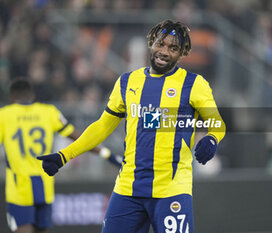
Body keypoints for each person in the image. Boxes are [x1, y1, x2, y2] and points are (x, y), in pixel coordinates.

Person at [37, 19, 226, 233]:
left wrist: (212, 139)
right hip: (128, 189)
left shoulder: (194, 84)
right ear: (151, 43)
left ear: (182, 53)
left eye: (173, 48)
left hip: (171, 190)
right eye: (161, 44)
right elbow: (102, 126)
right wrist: (64, 155)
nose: (164, 51)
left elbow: (216, 122)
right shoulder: (127, 82)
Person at [0, 79, 122, 233]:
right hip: (44, 185)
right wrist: (106, 154)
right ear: (32, 96)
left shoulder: (4, 115)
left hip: (19, 188)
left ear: (11, 98)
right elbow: (78, 138)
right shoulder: (48, 112)